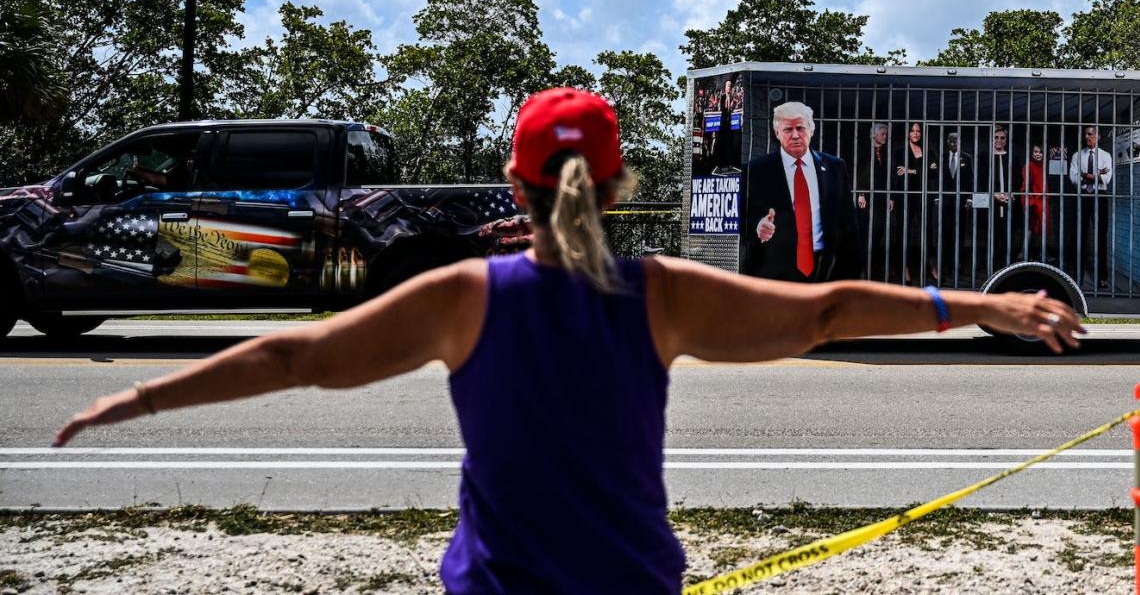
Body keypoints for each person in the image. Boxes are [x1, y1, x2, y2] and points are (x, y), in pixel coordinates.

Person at [53, 87, 1084, 595]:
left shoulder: (466, 296)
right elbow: (828, 311)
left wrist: (139, 400)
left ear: (514, 187)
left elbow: (296, 357)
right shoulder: (659, 295)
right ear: (622, 187)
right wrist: (982, 305)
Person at [742, 101, 861, 282]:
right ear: (777, 133)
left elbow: (848, 222)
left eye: (801, 128)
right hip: (774, 273)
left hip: (826, 269)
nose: (796, 135)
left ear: (811, 130)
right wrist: (757, 227)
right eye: (788, 130)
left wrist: (852, 275)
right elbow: (741, 216)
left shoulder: (835, 167)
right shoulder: (755, 170)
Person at [1069, 125, 1113, 289]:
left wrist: (1087, 176)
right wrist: (1096, 176)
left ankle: (1103, 276)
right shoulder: (1077, 155)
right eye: (1086, 134)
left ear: (1098, 137)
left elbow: (1107, 178)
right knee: (1079, 234)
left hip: (1100, 197)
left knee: (1101, 235)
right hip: (1082, 197)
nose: (1088, 137)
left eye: (1091, 134)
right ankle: (1077, 275)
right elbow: (1072, 178)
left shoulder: (1106, 156)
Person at [894, 122, 937, 285]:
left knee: (928, 232)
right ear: (907, 133)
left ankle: (932, 267)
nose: (916, 133)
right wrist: (923, 170)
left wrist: (911, 170)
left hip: (924, 196)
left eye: (918, 131)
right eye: (912, 131)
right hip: (906, 197)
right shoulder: (900, 152)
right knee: (904, 233)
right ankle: (904, 269)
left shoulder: (929, 151)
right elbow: (899, 172)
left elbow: (934, 173)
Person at [855, 121, 896, 282]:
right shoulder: (862, 150)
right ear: (874, 134)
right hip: (866, 198)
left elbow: (890, 175)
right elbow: (857, 172)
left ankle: (871, 269)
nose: (885, 137)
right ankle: (863, 271)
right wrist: (860, 193)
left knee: (878, 233)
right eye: (883, 134)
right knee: (866, 234)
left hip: (881, 198)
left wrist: (891, 196)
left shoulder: (885, 153)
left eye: (886, 134)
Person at [935, 131, 974, 286]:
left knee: (959, 234)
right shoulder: (942, 157)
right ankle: (944, 266)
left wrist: (970, 198)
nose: (953, 144)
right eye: (950, 141)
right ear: (947, 143)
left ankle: (957, 264)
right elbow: (937, 178)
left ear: (960, 142)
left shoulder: (967, 158)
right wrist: (936, 197)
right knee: (944, 234)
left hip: (961, 202)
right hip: (945, 202)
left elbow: (971, 179)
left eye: (955, 141)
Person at [987, 126, 1015, 273]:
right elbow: (981, 181)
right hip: (992, 207)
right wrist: (994, 195)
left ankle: (1006, 271)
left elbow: (1018, 181)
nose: (999, 140)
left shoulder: (1012, 158)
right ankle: (992, 272)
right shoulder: (985, 157)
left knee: (1007, 240)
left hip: (1009, 206)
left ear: (1006, 140)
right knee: (992, 239)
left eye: (1002, 138)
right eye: (996, 137)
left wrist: (1011, 194)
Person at [1018, 144, 1049, 261]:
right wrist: (1031, 202)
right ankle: (1024, 253)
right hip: (1033, 202)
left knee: (1038, 228)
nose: (1038, 154)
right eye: (1035, 152)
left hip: (1040, 202)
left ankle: (1032, 253)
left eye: (1040, 152)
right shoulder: (1029, 166)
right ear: (1031, 154)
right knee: (1031, 228)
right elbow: (1026, 186)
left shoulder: (1042, 166)